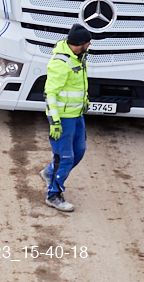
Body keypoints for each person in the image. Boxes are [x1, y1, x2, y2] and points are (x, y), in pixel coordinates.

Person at [40, 23, 91, 212]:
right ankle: (53, 194)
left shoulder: (79, 57)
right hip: (63, 120)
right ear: (80, 44)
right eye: (87, 42)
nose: (90, 45)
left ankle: (49, 172)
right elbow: (50, 93)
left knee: (79, 151)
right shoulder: (61, 64)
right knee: (65, 158)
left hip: (77, 117)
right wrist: (54, 121)